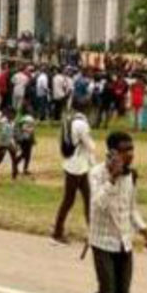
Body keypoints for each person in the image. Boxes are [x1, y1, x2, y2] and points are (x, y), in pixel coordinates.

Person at [67, 131, 147, 293]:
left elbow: (131, 208)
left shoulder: (130, 176)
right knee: (107, 291)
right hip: (101, 241)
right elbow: (96, 206)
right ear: (112, 152)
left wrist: (144, 230)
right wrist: (112, 179)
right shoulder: (96, 174)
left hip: (124, 242)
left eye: (132, 149)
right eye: (125, 149)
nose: (130, 154)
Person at [52, 98, 95, 245]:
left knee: (88, 199)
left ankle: (93, 233)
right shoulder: (82, 124)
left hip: (74, 164)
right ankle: (57, 233)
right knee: (69, 201)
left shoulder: (70, 119)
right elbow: (90, 146)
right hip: (77, 166)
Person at [0, 107, 21, 180]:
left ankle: (14, 175)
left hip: (8, 142)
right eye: (13, 115)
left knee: (13, 158)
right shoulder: (3, 122)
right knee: (0, 159)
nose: (14, 117)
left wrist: (16, 143)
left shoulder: (12, 122)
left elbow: (15, 134)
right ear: (9, 114)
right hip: (3, 142)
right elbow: (3, 133)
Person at [15, 104, 37, 176]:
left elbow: (20, 128)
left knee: (25, 154)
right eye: (30, 108)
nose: (31, 109)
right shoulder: (29, 118)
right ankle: (17, 164)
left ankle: (23, 168)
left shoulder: (21, 118)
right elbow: (30, 130)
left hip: (22, 138)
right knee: (26, 154)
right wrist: (32, 137)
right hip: (27, 138)